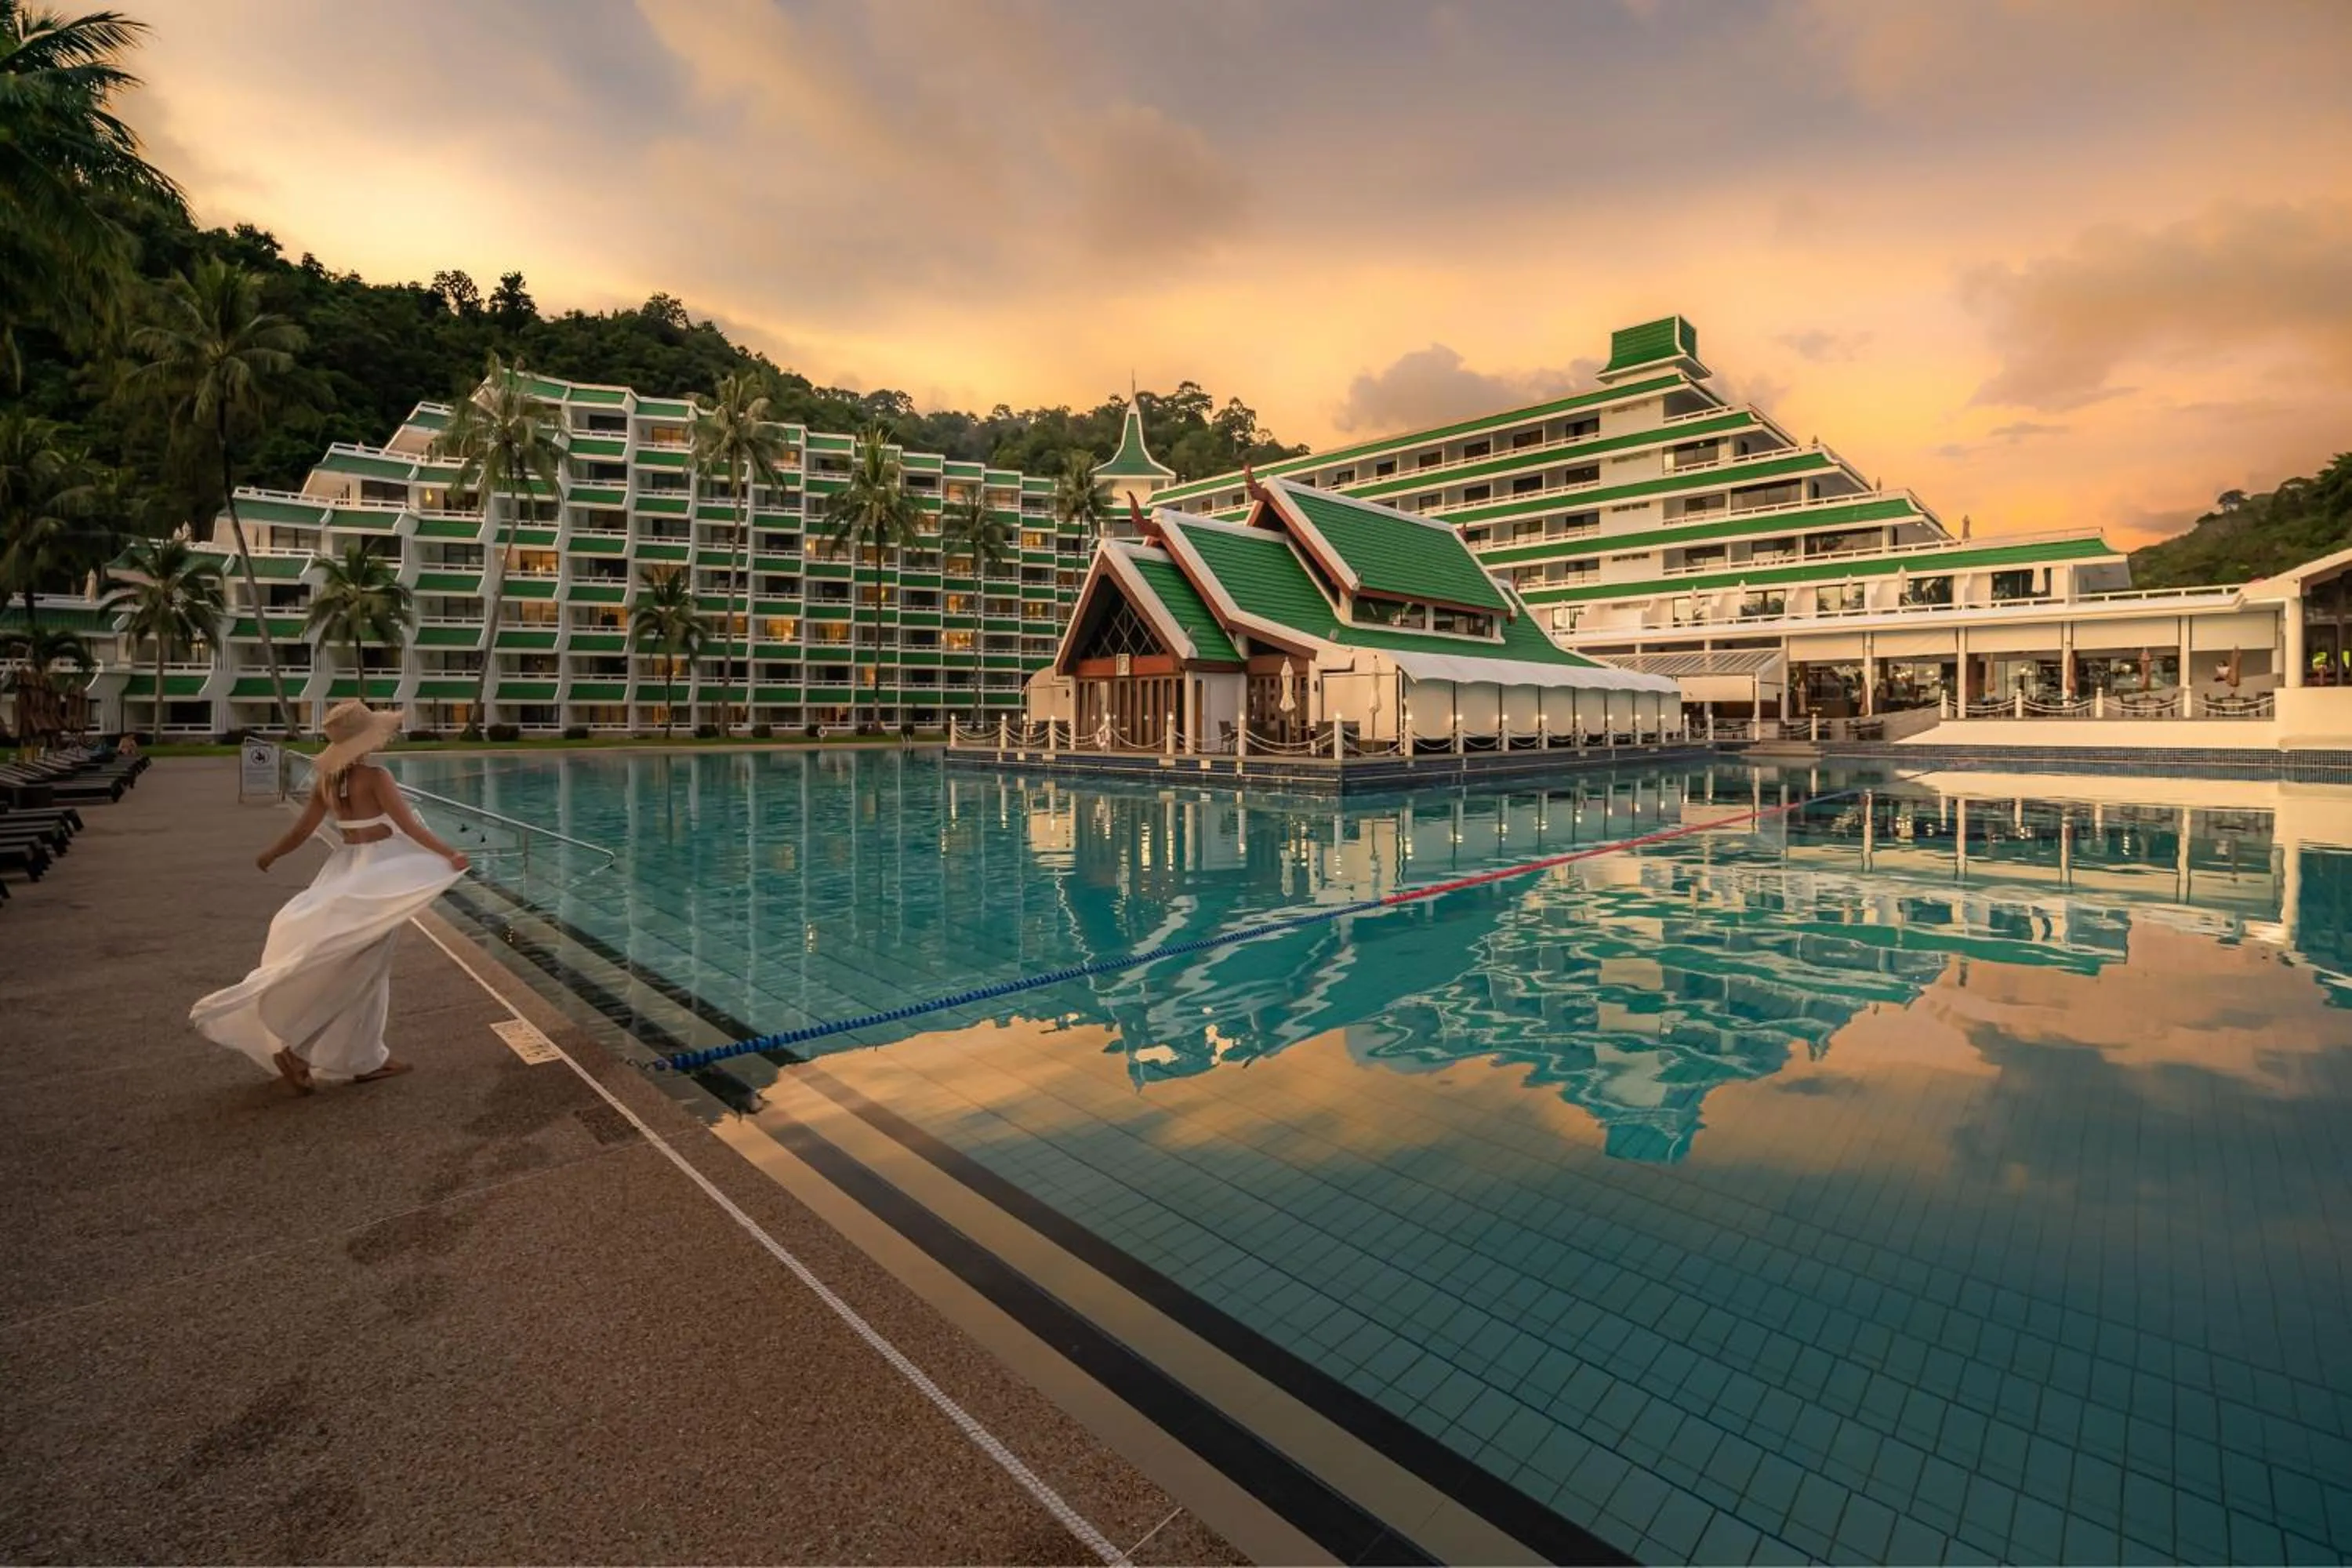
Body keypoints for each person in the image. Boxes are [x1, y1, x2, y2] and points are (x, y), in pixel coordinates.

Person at [191, 699, 469, 1094]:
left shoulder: (326, 782)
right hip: (377, 879)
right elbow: (408, 826)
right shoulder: (376, 777)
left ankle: (367, 1058)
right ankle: (300, 1051)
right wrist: (449, 853)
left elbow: (302, 831)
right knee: (364, 970)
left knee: (362, 969)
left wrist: (272, 854)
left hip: (345, 872)